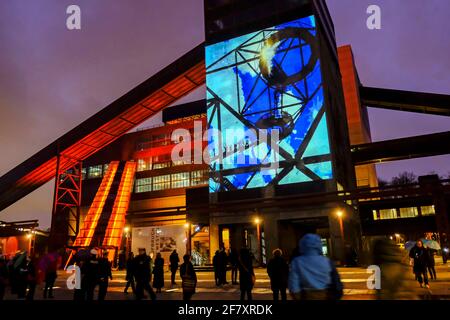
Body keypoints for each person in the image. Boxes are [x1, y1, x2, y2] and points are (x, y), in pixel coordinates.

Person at [289, 233, 343, 300]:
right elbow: (335, 279)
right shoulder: (327, 261)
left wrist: (297, 296)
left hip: (306, 295)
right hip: (325, 294)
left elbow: (293, 283)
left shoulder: (297, 262)